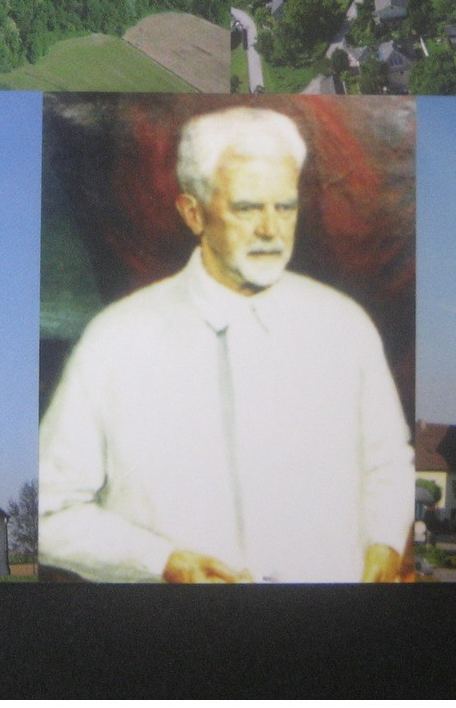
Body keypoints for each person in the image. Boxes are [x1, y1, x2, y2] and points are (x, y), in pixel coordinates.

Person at [39, 106, 414, 583]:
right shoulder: (116, 341)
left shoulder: (345, 326)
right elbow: (48, 513)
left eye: (285, 206)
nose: (270, 230)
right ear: (193, 212)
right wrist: (160, 561)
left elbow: (387, 461)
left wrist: (383, 543)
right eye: (247, 207)